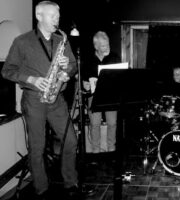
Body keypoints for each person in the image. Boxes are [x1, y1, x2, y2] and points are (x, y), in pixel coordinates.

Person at [1, 1, 80, 199]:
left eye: (58, 16)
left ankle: (71, 182)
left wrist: (66, 72)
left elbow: (72, 65)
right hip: (34, 99)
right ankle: (42, 189)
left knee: (70, 141)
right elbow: (7, 71)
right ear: (39, 16)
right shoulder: (22, 41)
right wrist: (32, 79)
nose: (57, 19)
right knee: (37, 147)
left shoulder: (61, 39)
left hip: (57, 98)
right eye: (52, 15)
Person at [82, 31, 120, 153]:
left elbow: (121, 76)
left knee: (112, 123)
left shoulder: (114, 57)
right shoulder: (88, 59)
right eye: (103, 45)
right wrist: (85, 84)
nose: (107, 47)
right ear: (96, 46)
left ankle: (111, 149)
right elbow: (83, 78)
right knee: (95, 124)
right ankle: (95, 151)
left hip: (111, 95)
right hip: (93, 95)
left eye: (107, 44)